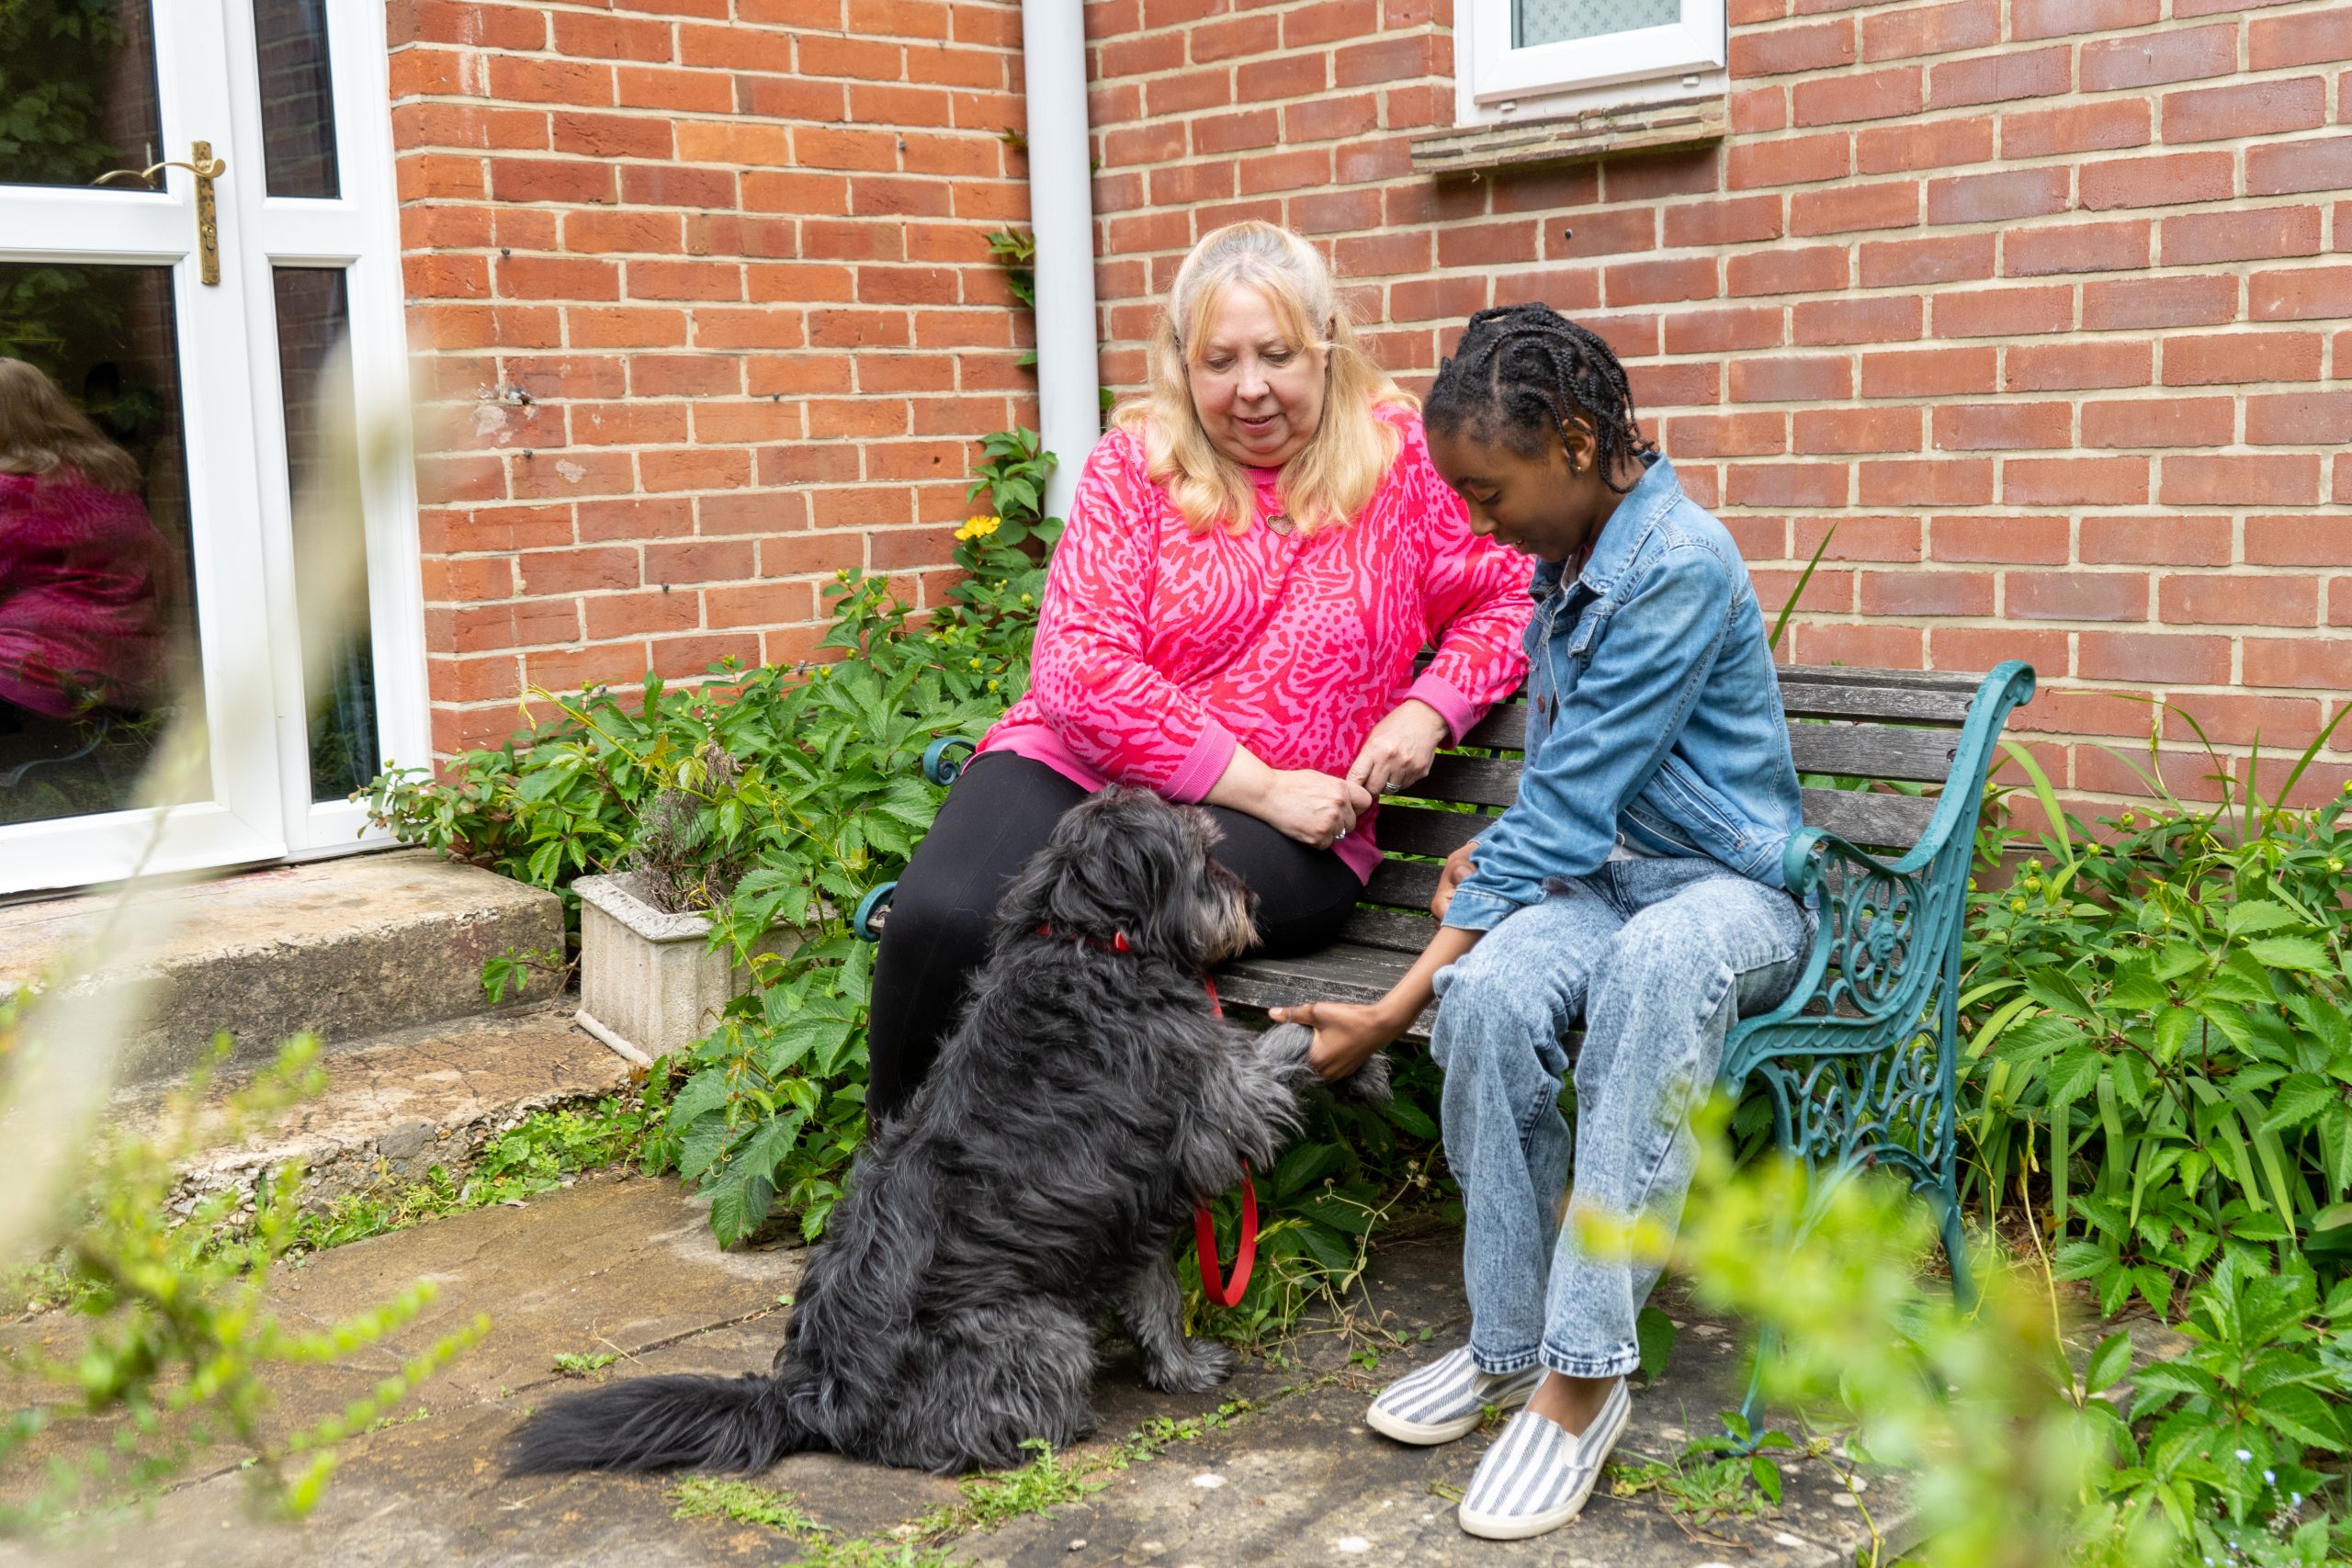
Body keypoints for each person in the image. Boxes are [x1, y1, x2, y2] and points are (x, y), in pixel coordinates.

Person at [1272, 302, 1813, 1542]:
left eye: (1487, 490)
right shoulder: (1564, 561)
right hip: (1610, 876)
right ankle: (1507, 1342)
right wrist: (1496, 864)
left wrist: (1390, 1003)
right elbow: (1570, 794)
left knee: (1652, 967)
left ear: (1573, 442)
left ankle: (1580, 1379)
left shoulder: (1676, 561)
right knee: (1498, 990)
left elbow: (1566, 820)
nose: (1478, 520)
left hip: (1728, 896)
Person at [865, 222, 1534, 1122]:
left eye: (1276, 355)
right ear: (1182, 363)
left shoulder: (1400, 465)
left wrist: (1427, 711)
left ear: (1326, 346)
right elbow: (1076, 669)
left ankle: (1044, 1200)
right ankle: (900, 1187)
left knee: (1094, 943)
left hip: (1294, 833)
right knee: (938, 917)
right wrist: (1261, 785)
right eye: (1219, 361)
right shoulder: (1132, 465)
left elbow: (1512, 598)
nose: (1249, 389)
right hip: (1094, 764)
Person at [0, 356, 172, 726]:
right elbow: (162, 565)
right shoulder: (109, 477)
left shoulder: (14, 488)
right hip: (123, 670)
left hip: (33, 671)